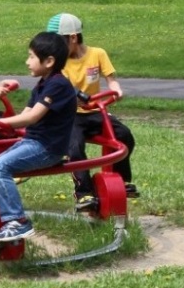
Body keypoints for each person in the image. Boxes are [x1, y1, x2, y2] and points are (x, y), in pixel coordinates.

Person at [0, 32, 77, 241]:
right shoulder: (42, 84)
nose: (26, 62)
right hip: (33, 142)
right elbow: (25, 114)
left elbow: (32, 118)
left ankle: (18, 221)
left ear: (49, 61)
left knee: (0, 167)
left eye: (30, 57)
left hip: (48, 148)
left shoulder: (58, 85)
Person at [47, 13, 138, 210]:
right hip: (71, 115)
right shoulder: (58, 62)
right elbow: (61, 87)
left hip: (96, 111)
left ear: (73, 37)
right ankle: (84, 193)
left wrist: (116, 89)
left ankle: (121, 181)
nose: (54, 48)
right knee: (74, 148)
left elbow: (111, 79)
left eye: (58, 42)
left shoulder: (98, 54)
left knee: (124, 136)